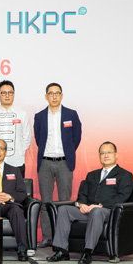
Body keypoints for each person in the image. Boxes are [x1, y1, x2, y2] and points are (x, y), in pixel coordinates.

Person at [47, 141, 133, 264]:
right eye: (102, 153)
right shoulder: (92, 175)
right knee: (64, 209)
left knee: (97, 212)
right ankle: (62, 251)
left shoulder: (125, 175)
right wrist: (81, 205)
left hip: (109, 212)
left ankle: (87, 252)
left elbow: (123, 196)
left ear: (116, 155)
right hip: (89, 211)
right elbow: (83, 194)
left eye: (109, 152)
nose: (106, 155)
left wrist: (99, 205)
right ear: (99, 156)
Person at [34, 82, 82, 248]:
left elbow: (76, 138)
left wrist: (67, 153)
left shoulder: (71, 114)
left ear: (61, 96)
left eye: (57, 93)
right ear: (46, 96)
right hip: (45, 163)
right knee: (45, 202)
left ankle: (63, 238)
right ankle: (47, 237)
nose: (54, 96)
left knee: (64, 202)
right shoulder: (39, 116)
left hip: (64, 163)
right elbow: (38, 138)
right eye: (51, 93)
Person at [0, 80, 31, 177]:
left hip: (17, 162)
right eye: (3, 93)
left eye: (10, 93)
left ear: (14, 94)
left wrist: (19, 152)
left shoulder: (22, 113)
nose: (7, 95)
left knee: (17, 191)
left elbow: (27, 137)